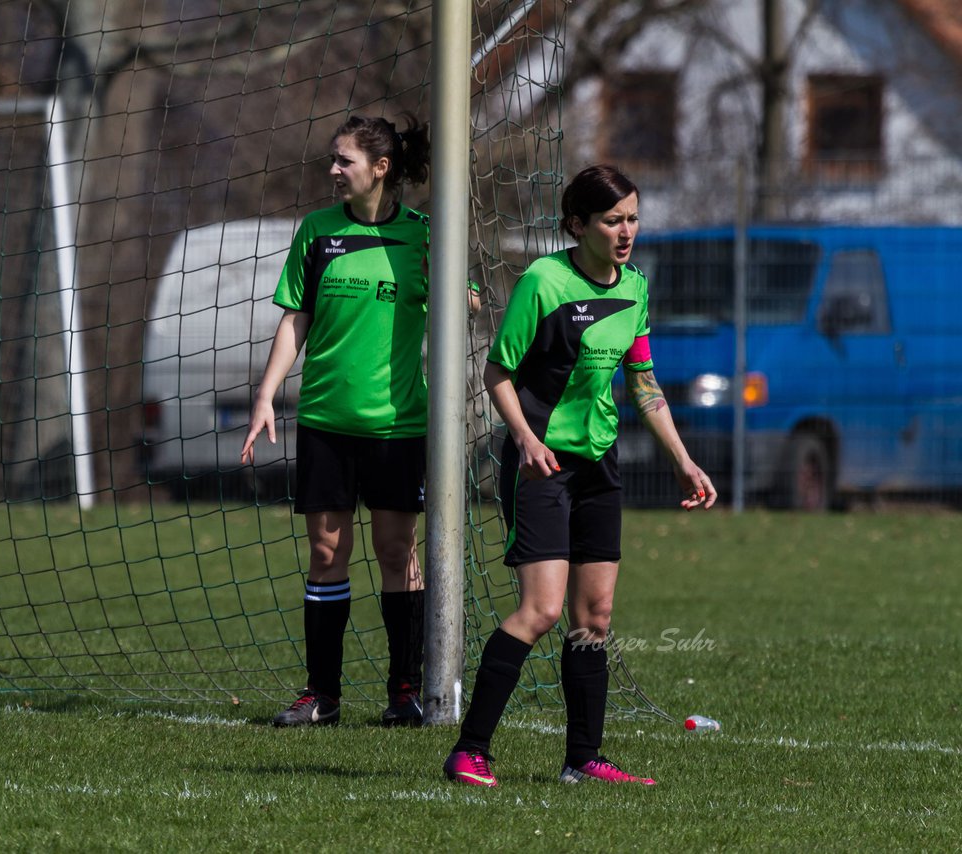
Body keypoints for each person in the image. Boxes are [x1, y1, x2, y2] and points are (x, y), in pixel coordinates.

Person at [442, 164, 717, 786]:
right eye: (612, 220)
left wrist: (682, 459)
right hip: (541, 464)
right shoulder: (544, 281)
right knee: (539, 611)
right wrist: (525, 437)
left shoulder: (637, 287)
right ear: (577, 225)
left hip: (599, 464)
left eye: (633, 218)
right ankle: (470, 749)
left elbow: (644, 383)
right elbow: (497, 371)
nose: (626, 232)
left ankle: (583, 759)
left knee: (594, 617)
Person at [241, 114, 474, 728]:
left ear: (381, 168)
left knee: (398, 552)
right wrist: (267, 395)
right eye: (334, 159)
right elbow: (295, 319)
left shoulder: (425, 235)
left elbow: (466, 301)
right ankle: (322, 694)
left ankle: (405, 691)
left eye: (344, 160)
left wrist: (461, 292)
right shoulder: (317, 233)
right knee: (325, 551)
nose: (333, 170)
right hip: (324, 420)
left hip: (398, 427)